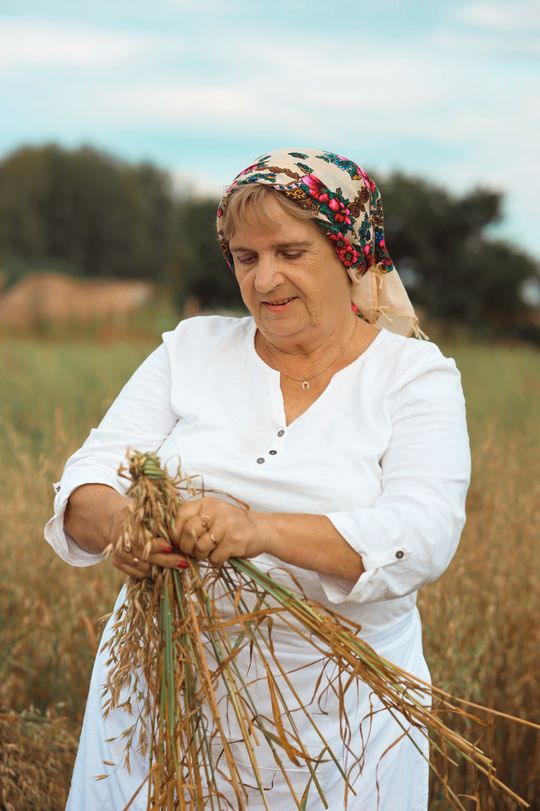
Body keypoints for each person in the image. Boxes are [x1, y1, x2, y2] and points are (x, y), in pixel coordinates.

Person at [44, 147, 471, 810]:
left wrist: (260, 529)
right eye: (245, 256)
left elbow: (421, 533)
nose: (264, 277)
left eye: (290, 252)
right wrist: (124, 528)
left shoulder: (414, 378)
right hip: (162, 700)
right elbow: (89, 479)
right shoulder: (191, 350)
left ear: (350, 253)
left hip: (341, 723)